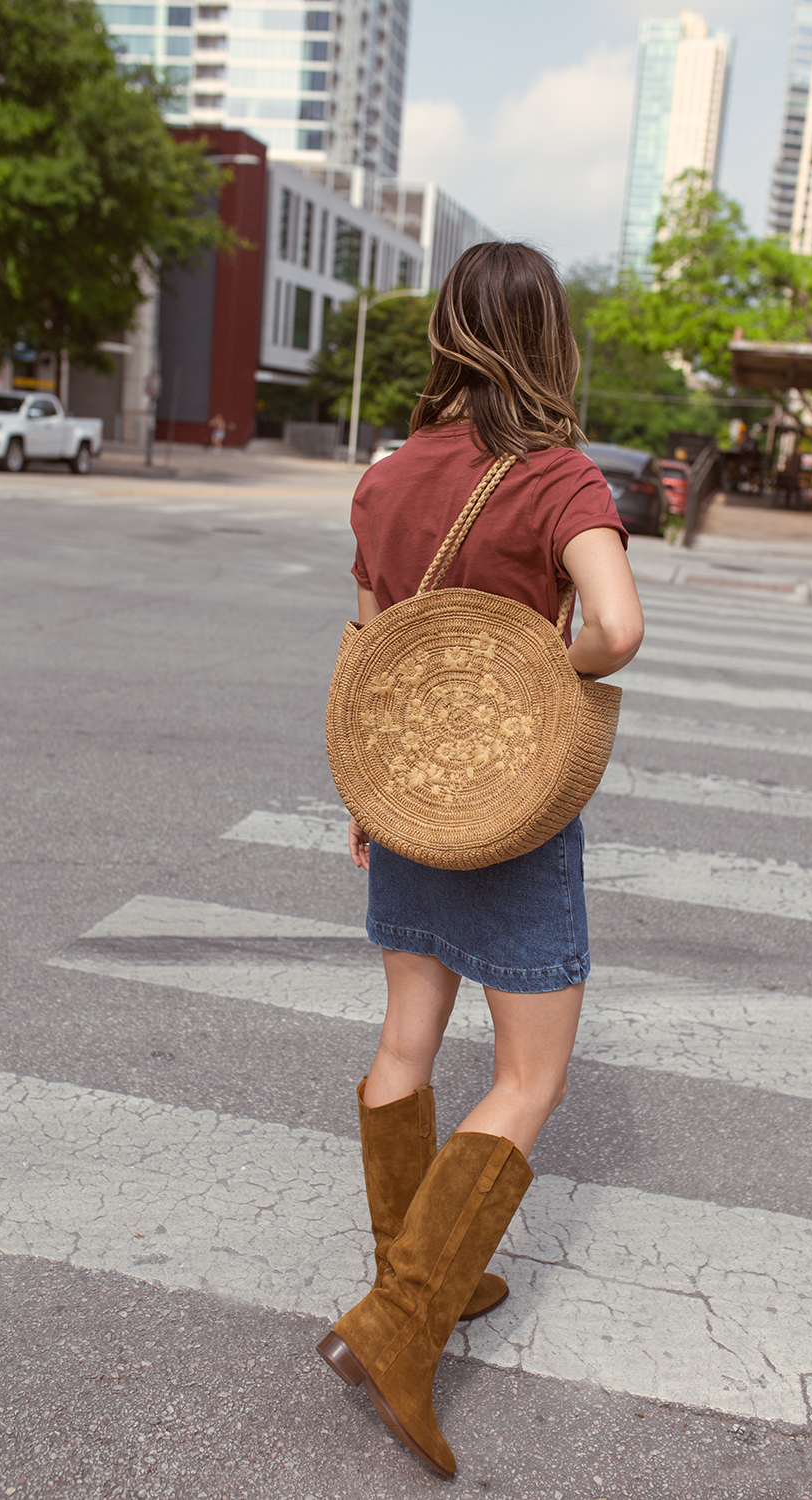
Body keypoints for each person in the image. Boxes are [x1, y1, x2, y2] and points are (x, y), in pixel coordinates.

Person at [316, 241, 644, 1478]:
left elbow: (364, 649)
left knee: (405, 1040)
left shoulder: (388, 475)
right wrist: (519, 674)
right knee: (527, 1077)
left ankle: (418, 1277)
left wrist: (366, 784)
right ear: (547, 340)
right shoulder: (557, 478)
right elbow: (613, 628)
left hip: (403, 792)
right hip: (508, 813)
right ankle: (401, 1325)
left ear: (447, 334)